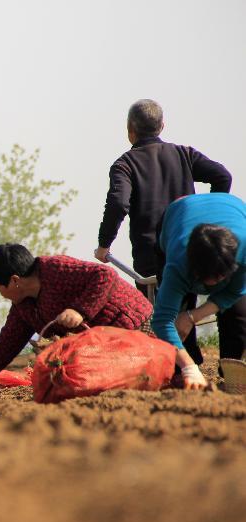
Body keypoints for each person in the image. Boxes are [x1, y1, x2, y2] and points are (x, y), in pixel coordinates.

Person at [94, 99, 232, 362]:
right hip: (189, 247)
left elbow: (119, 202)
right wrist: (210, 222)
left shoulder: (125, 164)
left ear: (130, 130)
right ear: (162, 126)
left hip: (150, 254)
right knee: (182, 309)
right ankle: (188, 364)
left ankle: (178, 367)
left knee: (157, 314)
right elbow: (222, 176)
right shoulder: (184, 154)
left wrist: (104, 244)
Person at [0, 244, 154, 400]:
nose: (1, 295)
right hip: (105, 344)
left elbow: (105, 275)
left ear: (15, 281)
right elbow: (5, 344)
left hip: (136, 325)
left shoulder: (55, 269)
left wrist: (79, 311)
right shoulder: (23, 308)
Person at [151, 193, 246, 390]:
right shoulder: (178, 263)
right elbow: (162, 320)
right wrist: (188, 368)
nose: (214, 283)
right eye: (208, 278)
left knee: (238, 314)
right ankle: (185, 371)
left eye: (222, 277)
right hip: (178, 212)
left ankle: (230, 373)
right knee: (177, 314)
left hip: (231, 207)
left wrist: (192, 316)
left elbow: (233, 293)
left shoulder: (243, 252)